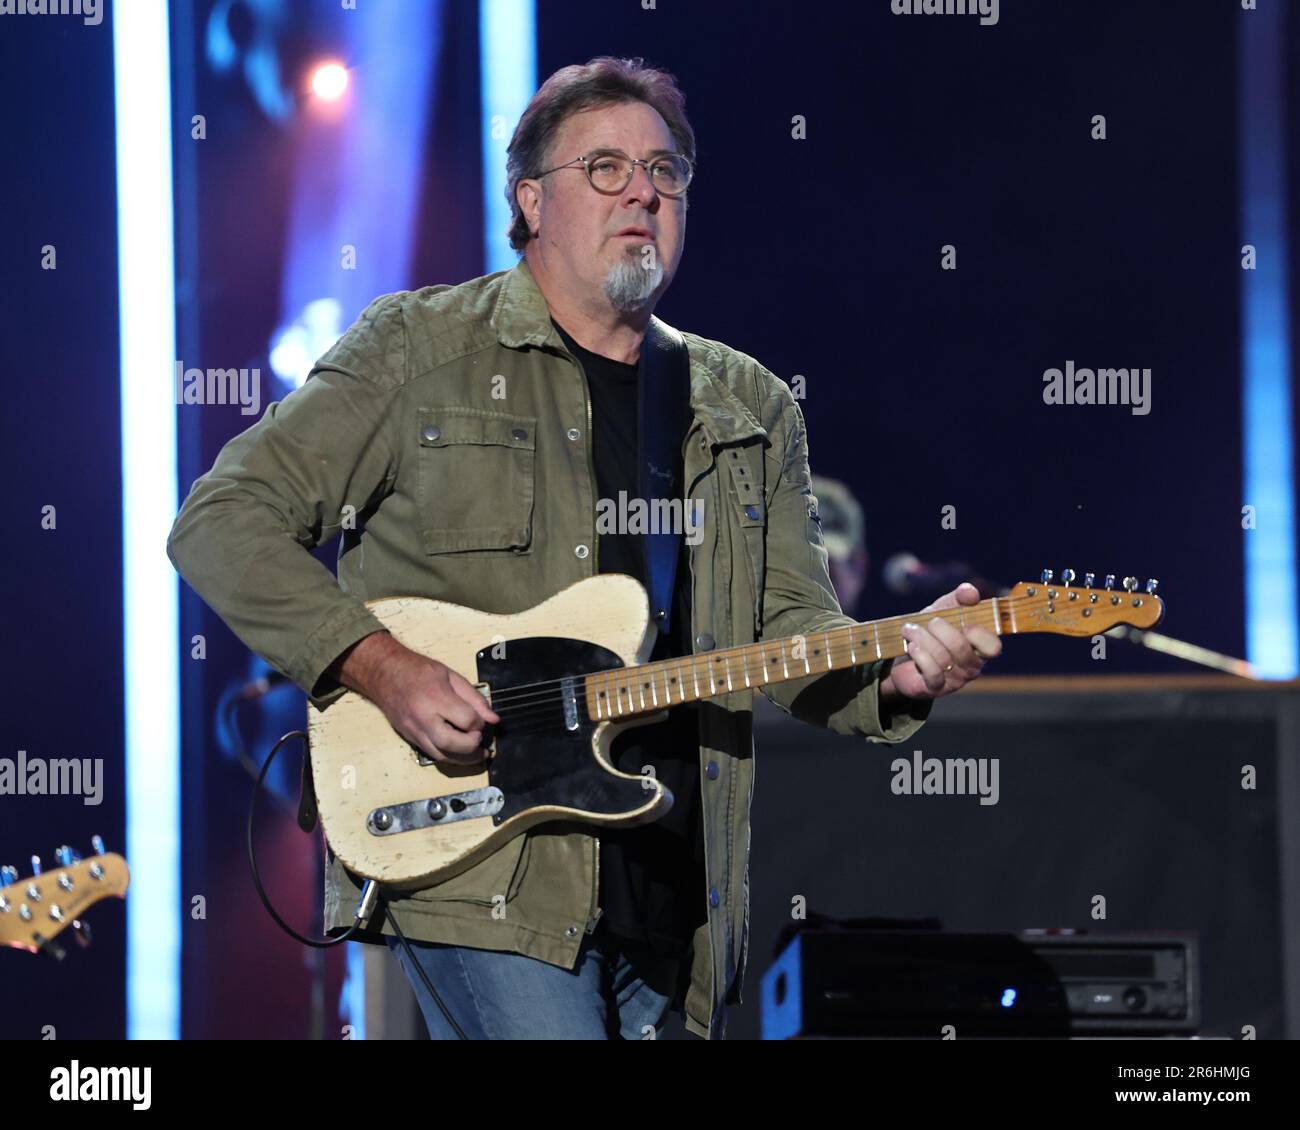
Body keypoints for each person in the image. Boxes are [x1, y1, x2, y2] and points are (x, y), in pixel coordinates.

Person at [167, 55, 1000, 1040]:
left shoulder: (746, 404)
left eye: (665, 171)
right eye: (605, 167)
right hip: (482, 869)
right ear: (529, 198)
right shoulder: (418, 350)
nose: (644, 190)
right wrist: (379, 665)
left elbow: (792, 633)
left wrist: (900, 670)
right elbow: (221, 519)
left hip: (674, 889)